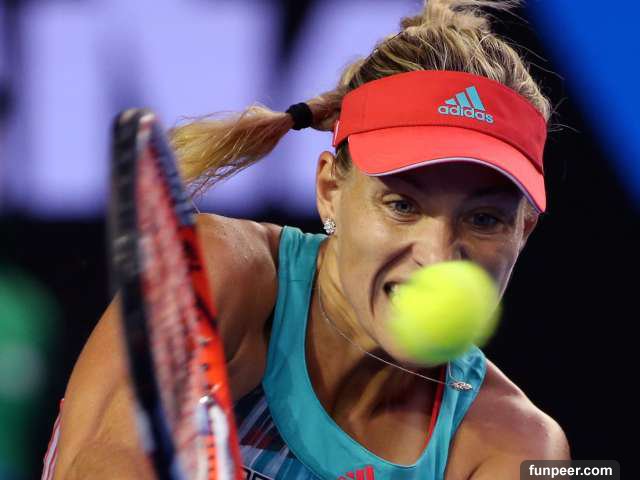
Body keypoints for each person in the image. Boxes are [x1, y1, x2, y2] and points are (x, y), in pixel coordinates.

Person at [42, 0, 571, 478]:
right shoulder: (219, 272)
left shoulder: (520, 449)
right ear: (329, 192)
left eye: (484, 219)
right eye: (402, 205)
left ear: (523, 230)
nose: (437, 256)